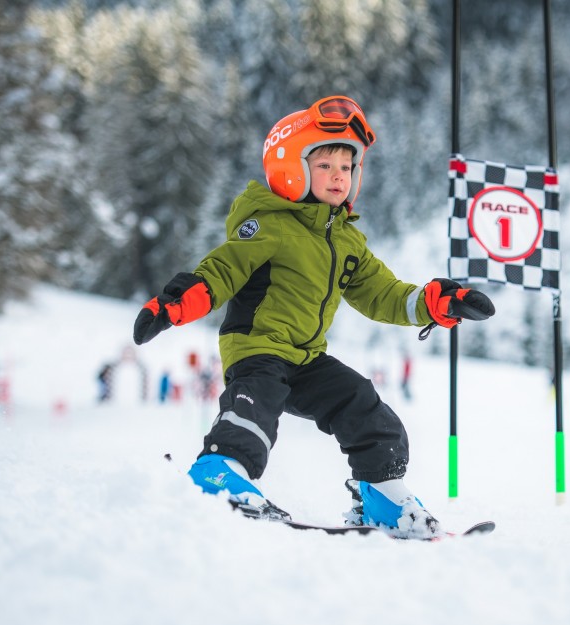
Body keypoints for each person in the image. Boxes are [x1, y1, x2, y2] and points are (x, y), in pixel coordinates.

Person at [131, 95, 494, 538]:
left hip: (306, 358)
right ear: (291, 167)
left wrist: (436, 302)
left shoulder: (346, 241)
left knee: (365, 407)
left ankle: (383, 497)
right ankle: (218, 472)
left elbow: (382, 293)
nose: (339, 176)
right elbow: (223, 270)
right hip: (258, 347)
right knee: (255, 408)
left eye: (347, 167)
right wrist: (177, 302)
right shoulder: (268, 225)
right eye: (325, 165)